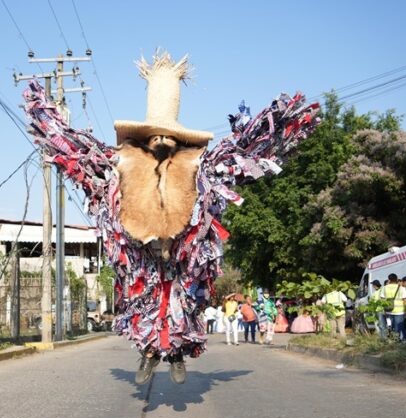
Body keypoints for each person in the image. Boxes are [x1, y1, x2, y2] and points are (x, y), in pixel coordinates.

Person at [24, 51, 319, 386]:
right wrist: (49, 122)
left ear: (179, 140)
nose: (161, 142)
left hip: (183, 257)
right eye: (155, 136)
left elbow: (242, 156)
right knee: (146, 302)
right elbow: (77, 155)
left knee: (184, 300)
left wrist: (280, 126)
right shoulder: (121, 163)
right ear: (143, 139)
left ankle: (177, 354)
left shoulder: (197, 166)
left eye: (167, 136)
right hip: (142, 256)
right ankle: (149, 354)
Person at [381, 273, 406, 340]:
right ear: (396, 279)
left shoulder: (384, 288)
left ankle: (394, 340)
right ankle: (397, 340)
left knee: (392, 326)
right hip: (400, 311)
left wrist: (384, 310)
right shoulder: (401, 288)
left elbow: (382, 300)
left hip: (389, 310)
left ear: (389, 280)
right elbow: (405, 300)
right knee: (398, 327)